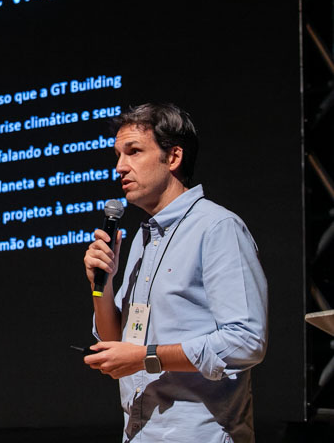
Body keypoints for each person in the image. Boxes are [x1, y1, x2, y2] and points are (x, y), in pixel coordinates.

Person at [82, 103, 268, 442]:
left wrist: (148, 358)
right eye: (118, 155)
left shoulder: (217, 227)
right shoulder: (142, 239)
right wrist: (102, 284)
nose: (119, 167)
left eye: (133, 152)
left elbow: (246, 341)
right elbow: (117, 344)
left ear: (173, 157)